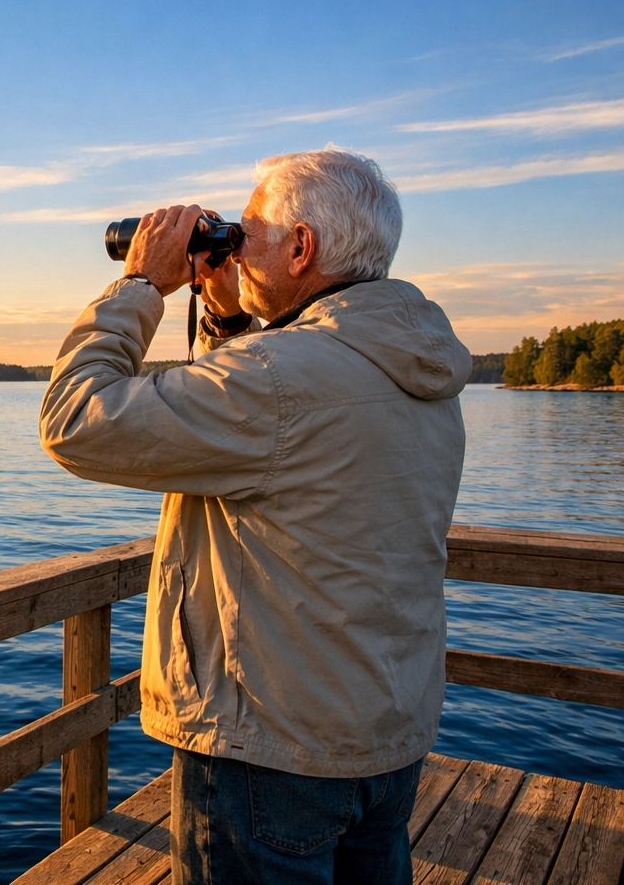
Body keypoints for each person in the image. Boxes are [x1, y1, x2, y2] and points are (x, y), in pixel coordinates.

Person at [39, 149, 471, 884]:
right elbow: (271, 435)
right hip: (383, 737)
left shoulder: (280, 380)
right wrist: (227, 313)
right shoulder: (412, 365)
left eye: (249, 231)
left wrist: (141, 284)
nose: (235, 248)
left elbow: (77, 421)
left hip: (271, 750)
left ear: (301, 248)